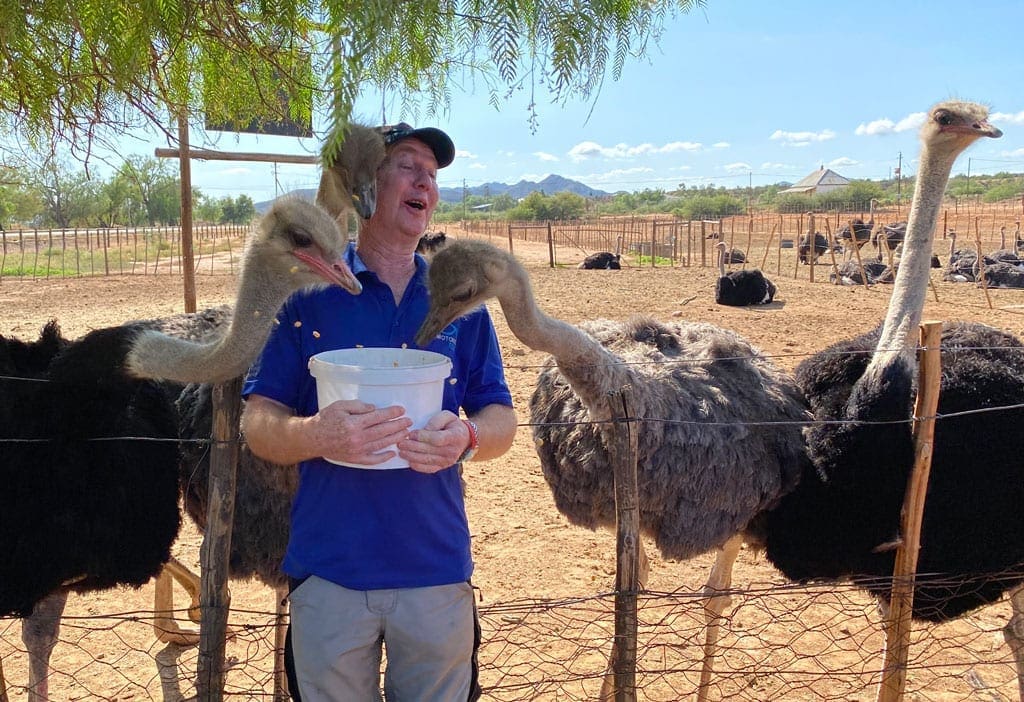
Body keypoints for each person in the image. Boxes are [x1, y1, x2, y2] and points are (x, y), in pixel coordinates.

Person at [241, 123, 517, 701]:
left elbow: (501, 419)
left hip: (435, 572)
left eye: (433, 174)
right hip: (331, 574)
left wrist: (466, 437)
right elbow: (258, 424)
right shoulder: (305, 295)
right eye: (408, 165)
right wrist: (317, 433)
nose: (426, 182)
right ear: (368, 185)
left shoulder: (460, 299)